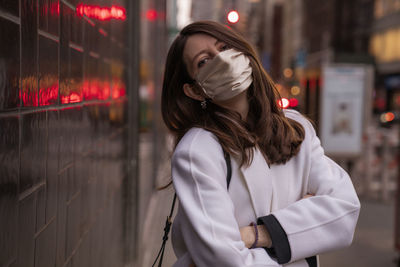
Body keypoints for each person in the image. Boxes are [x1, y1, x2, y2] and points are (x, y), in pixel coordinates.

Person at [161, 21, 360, 267]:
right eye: (204, 61)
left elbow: (345, 211)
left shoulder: (295, 128)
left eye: (224, 47)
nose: (221, 60)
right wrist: (301, 230)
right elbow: (225, 260)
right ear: (194, 91)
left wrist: (258, 234)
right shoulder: (197, 151)